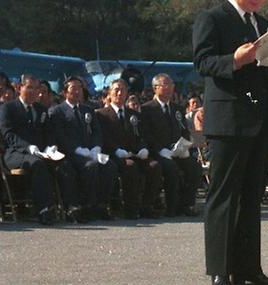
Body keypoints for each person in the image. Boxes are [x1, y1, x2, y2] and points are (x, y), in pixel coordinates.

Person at [192, 0, 268, 285]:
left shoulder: (265, 25)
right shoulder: (213, 18)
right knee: (224, 196)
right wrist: (236, 58)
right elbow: (202, 61)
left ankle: (249, 268)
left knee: (251, 197)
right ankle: (220, 269)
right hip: (229, 119)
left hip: (260, 120)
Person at [0, 74, 84, 225]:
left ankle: (72, 207)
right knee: (38, 164)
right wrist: (28, 147)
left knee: (64, 164)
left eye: (36, 88)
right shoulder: (8, 108)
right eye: (29, 87)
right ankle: (44, 209)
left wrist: (51, 147)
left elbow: (49, 132)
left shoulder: (41, 109)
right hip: (16, 153)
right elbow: (8, 134)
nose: (33, 92)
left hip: (41, 152)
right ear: (20, 88)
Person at [50, 76, 117, 221]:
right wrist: (77, 149)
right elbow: (60, 136)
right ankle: (86, 206)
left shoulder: (88, 110)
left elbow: (97, 131)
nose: (77, 92)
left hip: (90, 152)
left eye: (79, 88)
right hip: (71, 153)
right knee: (90, 166)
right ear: (65, 92)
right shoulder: (57, 111)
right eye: (73, 88)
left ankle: (101, 205)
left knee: (109, 166)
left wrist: (96, 148)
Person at [96, 78, 162, 220]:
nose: (119, 93)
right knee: (130, 167)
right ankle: (130, 208)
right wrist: (116, 150)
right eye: (116, 90)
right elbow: (104, 138)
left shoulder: (134, 115)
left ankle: (146, 205)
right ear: (109, 93)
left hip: (134, 153)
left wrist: (143, 148)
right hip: (114, 155)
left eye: (123, 90)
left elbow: (142, 135)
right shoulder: (101, 114)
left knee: (154, 166)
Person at [141, 73, 200, 217]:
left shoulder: (177, 109)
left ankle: (186, 204)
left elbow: (184, 131)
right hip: (158, 152)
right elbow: (146, 134)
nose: (169, 88)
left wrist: (184, 146)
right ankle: (171, 207)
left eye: (171, 85)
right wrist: (160, 150)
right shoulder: (147, 109)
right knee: (171, 168)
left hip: (177, 150)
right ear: (155, 88)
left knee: (194, 167)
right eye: (165, 85)